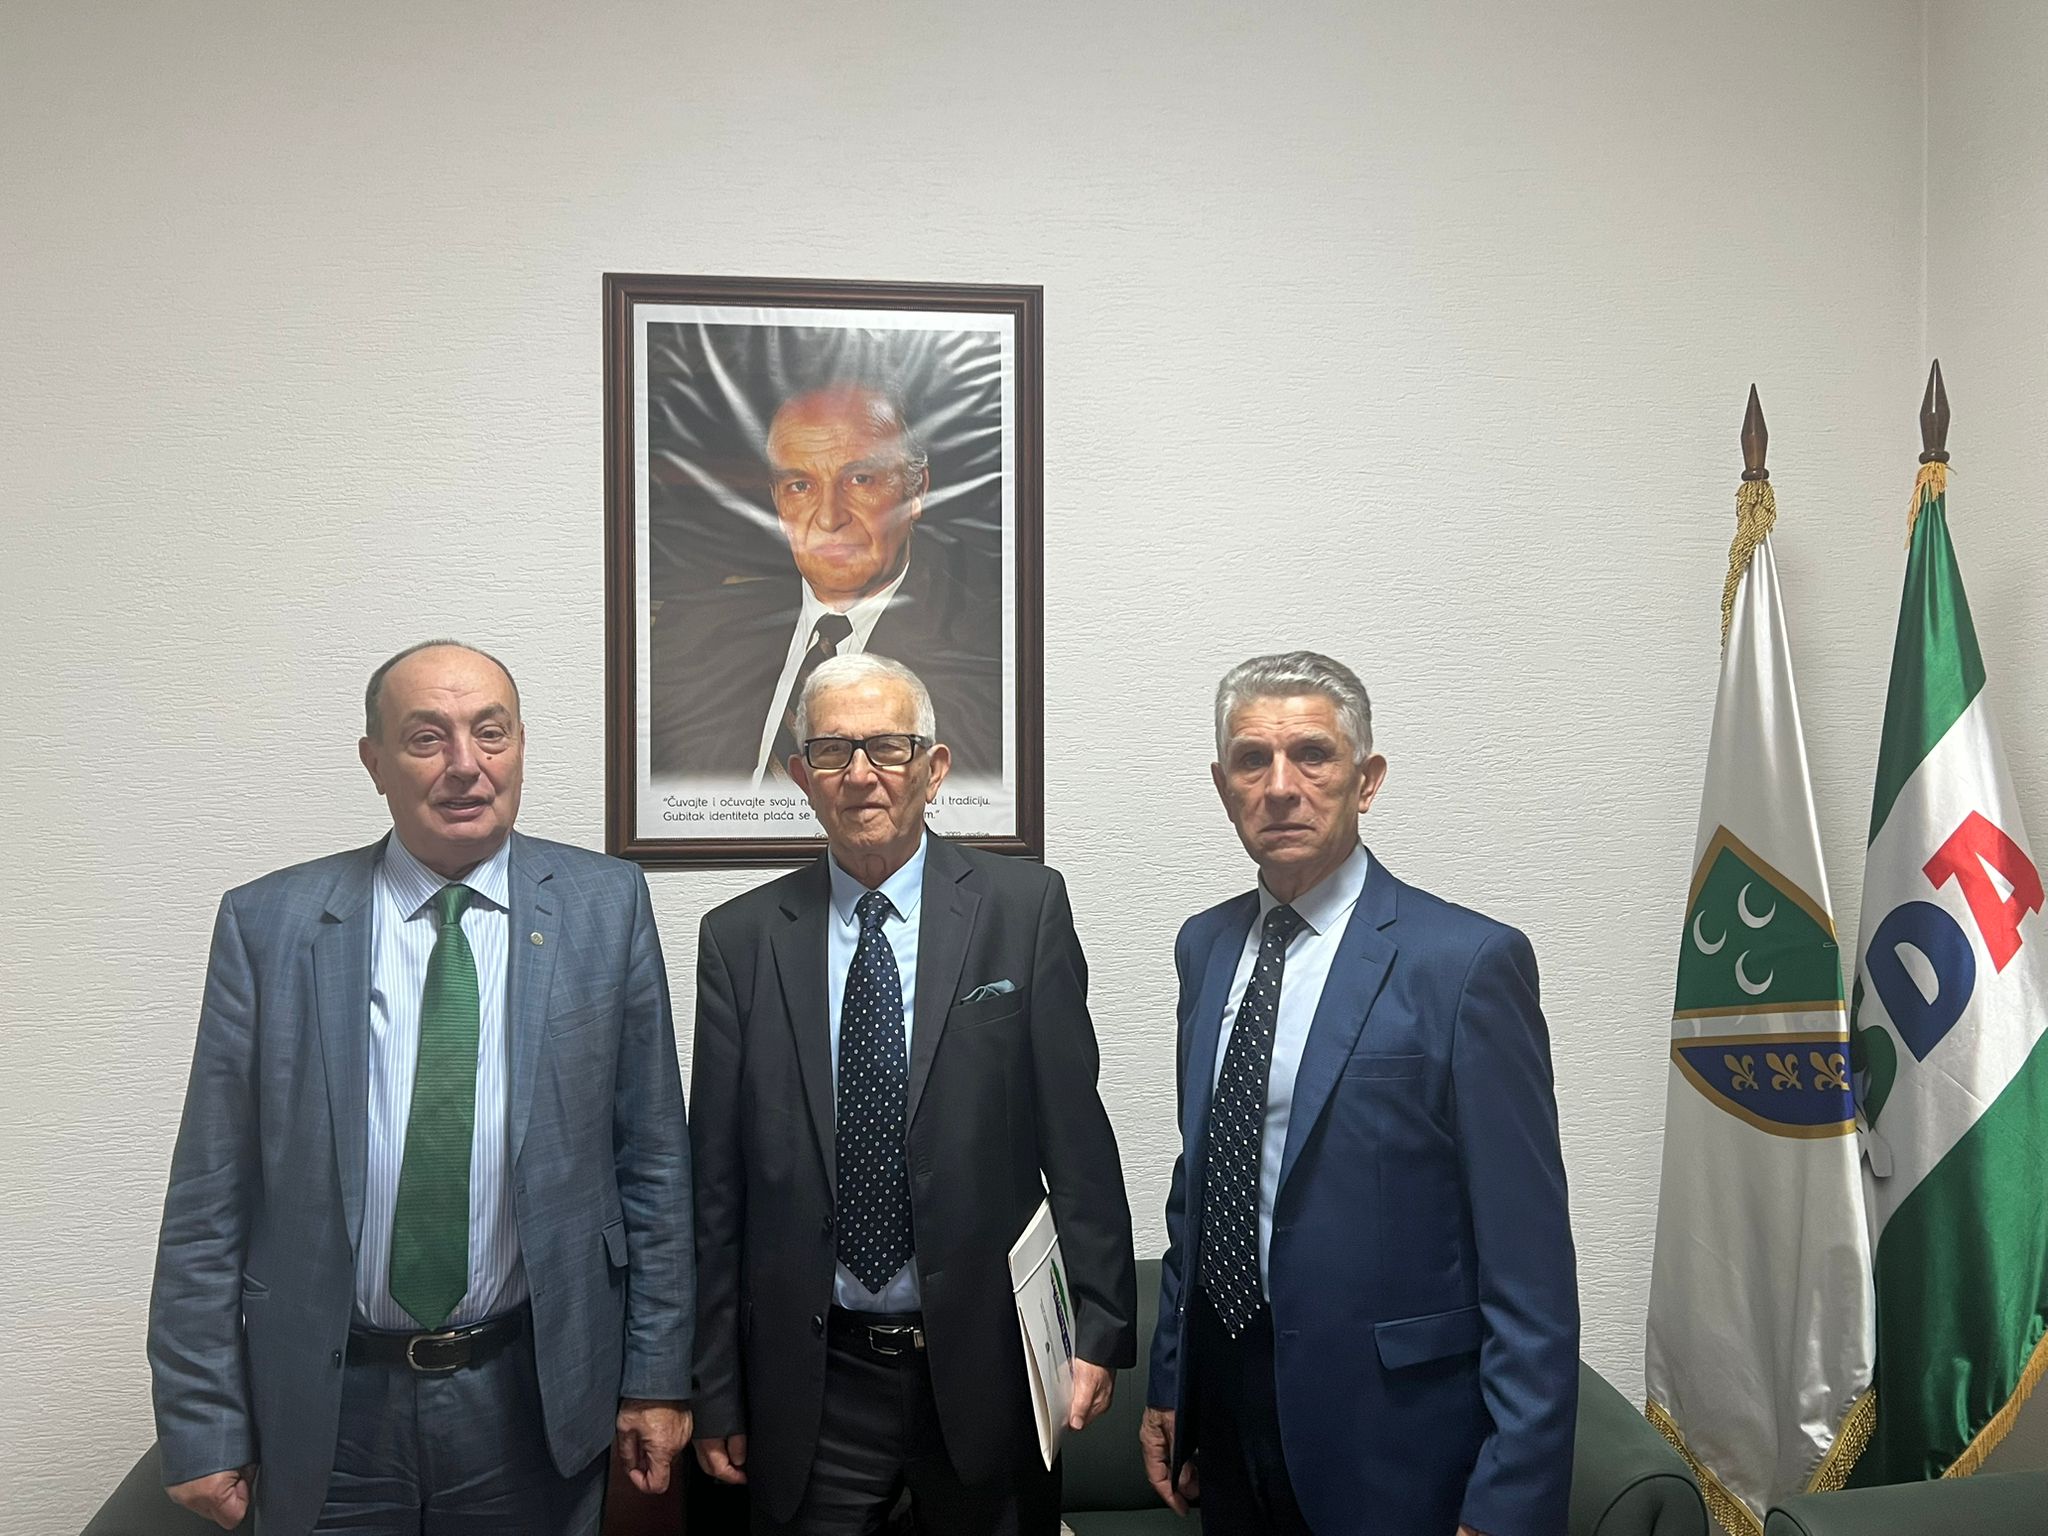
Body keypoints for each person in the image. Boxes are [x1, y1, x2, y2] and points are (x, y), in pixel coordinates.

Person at [148, 640, 694, 1535]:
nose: (465, 765)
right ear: (375, 762)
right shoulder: (269, 924)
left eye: (491, 732)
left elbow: (655, 1167)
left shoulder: (607, 905)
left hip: (534, 1395)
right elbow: (210, 1192)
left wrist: (657, 1377)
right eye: (427, 738)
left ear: (521, 747)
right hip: (329, 1409)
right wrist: (201, 1417)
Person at [690, 652, 1134, 1533]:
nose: (861, 774)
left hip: (990, 1369)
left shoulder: (1024, 909)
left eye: (888, 747)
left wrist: (1102, 1325)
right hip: (814, 1384)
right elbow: (716, 1189)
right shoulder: (740, 940)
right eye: (832, 751)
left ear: (934, 769)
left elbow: (1077, 1141)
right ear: (801, 778)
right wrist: (713, 1384)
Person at [1141, 652, 1578, 1536]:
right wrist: (1171, 1380)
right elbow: (1205, 1183)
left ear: (1366, 780)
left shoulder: (1466, 965)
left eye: (1313, 754)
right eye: (1252, 761)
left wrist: (1510, 1500)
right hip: (1227, 1409)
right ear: (1223, 787)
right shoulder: (1204, 947)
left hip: (1394, 1438)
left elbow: (1528, 1263)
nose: (1281, 786)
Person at [647, 382, 1002, 783]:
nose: (830, 518)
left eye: (861, 480)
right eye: (800, 486)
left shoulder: (988, 660)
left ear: (916, 491)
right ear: (778, 502)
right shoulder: (695, 630)